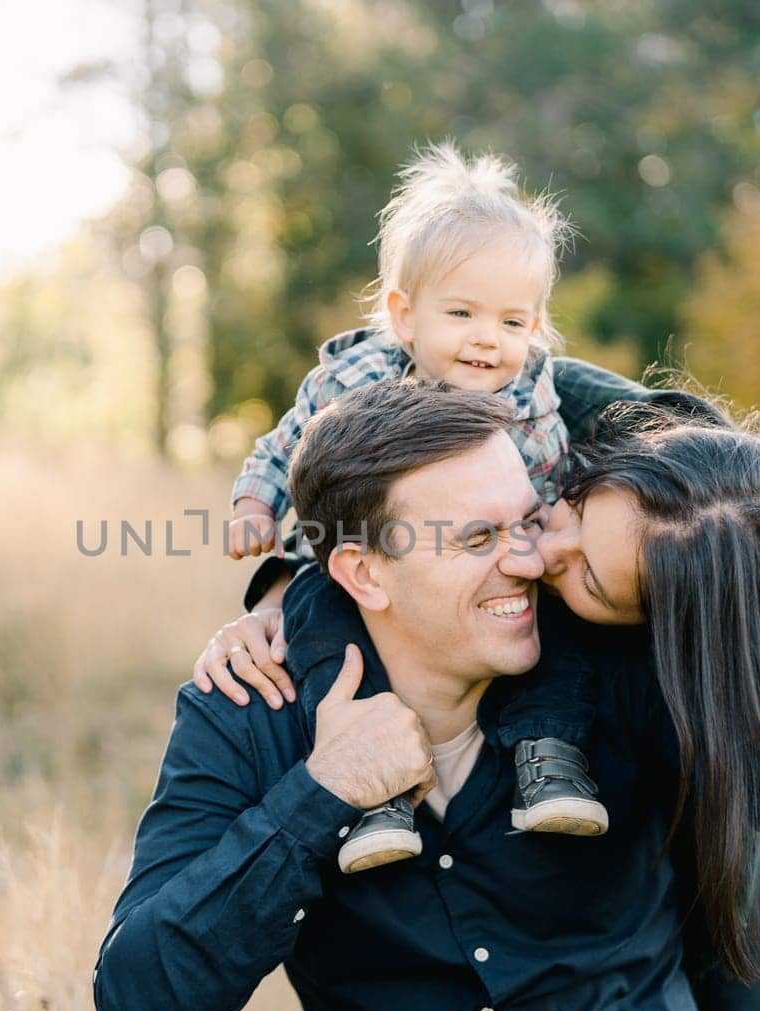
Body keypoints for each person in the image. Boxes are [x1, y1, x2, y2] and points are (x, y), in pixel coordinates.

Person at [90, 379, 760, 1011]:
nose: (532, 560)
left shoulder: (630, 670)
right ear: (363, 574)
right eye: (479, 540)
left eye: (526, 520)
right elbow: (139, 1008)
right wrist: (319, 796)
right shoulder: (258, 701)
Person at [223, 143, 608, 873]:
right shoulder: (357, 378)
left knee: (557, 639)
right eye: (461, 312)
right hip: (357, 566)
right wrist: (253, 505)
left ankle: (551, 757)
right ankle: (378, 793)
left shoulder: (533, 392)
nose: (486, 339)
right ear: (405, 316)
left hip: (499, 567)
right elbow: (284, 445)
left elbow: (565, 472)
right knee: (326, 641)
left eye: (513, 321)